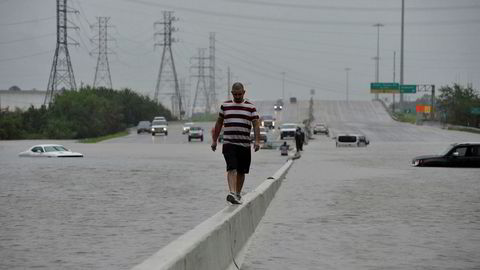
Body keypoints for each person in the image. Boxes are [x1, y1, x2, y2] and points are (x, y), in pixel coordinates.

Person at [211, 82, 260, 205]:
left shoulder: (251, 107)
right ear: (232, 93)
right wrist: (214, 140)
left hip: (244, 144)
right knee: (231, 167)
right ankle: (232, 192)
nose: (237, 96)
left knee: (242, 171)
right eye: (235, 94)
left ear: (244, 92)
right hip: (229, 143)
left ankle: (237, 193)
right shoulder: (225, 106)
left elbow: (256, 124)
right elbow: (219, 123)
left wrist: (257, 141)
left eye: (240, 94)